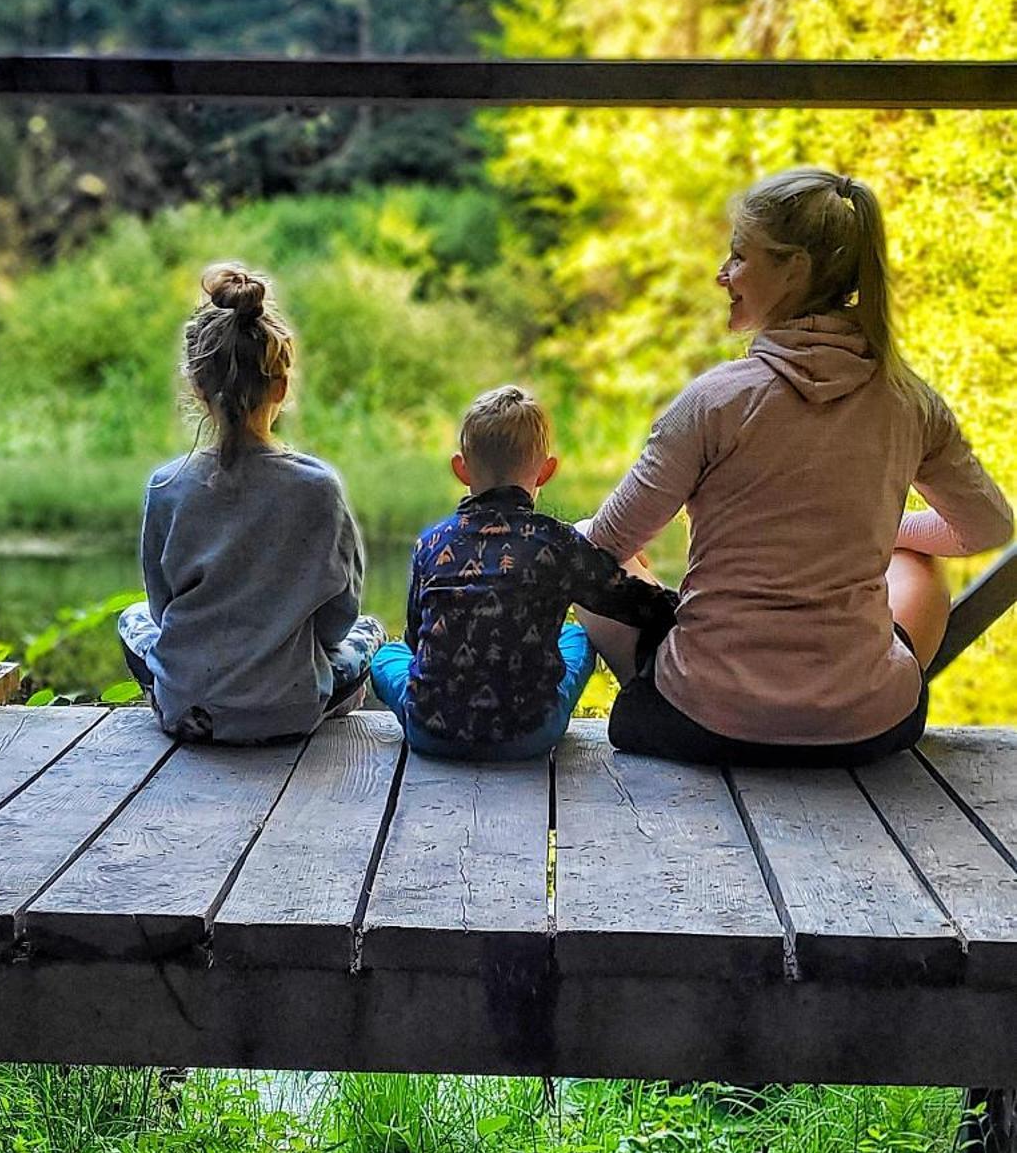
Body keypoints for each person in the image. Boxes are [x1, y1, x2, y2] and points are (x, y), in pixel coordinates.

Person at [577, 167, 1012, 767]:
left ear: (794, 270)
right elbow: (988, 529)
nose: (721, 274)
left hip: (704, 717)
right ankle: (852, 684)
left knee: (589, 547)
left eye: (738, 257)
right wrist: (887, 534)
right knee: (918, 563)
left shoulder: (714, 401)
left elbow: (600, 546)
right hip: (866, 725)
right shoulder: (909, 402)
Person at [117, 264, 384, 743]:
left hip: (188, 711)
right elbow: (340, 617)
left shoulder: (167, 486)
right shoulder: (318, 488)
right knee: (371, 632)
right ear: (280, 387)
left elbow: (161, 611)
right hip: (288, 712)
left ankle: (183, 697)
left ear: (198, 388)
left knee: (131, 619)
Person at [369, 385, 677, 761]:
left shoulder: (431, 543)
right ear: (546, 471)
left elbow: (418, 643)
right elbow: (637, 606)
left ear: (460, 467)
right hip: (529, 734)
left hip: (431, 732)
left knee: (387, 655)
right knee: (578, 638)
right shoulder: (556, 543)